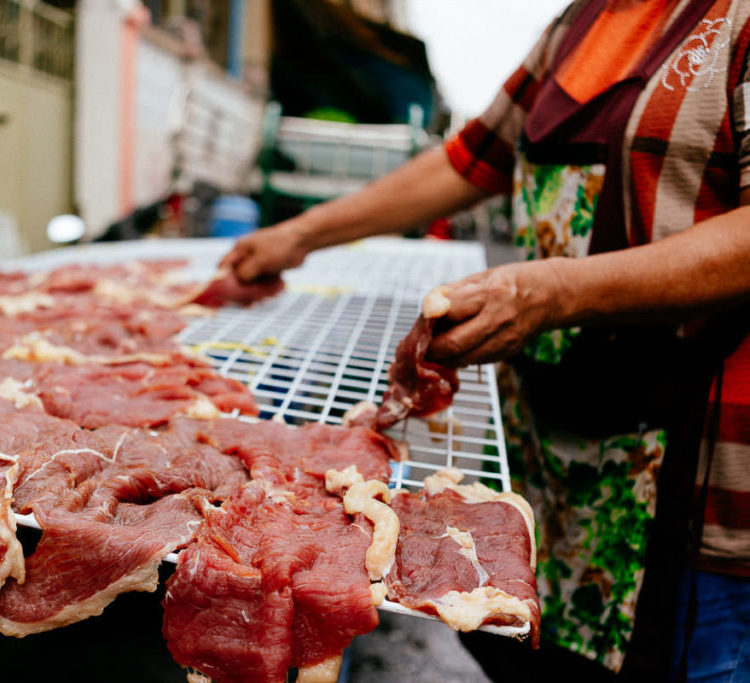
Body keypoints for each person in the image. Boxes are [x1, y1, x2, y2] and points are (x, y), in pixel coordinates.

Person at [222, 1, 750, 680]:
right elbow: (467, 160)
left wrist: (554, 292)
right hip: (555, 463)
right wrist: (302, 234)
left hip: (699, 479)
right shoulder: (580, 24)